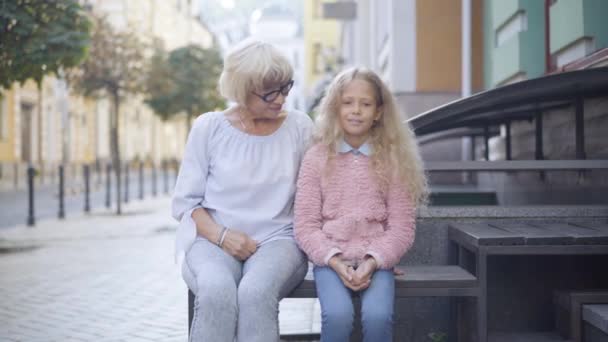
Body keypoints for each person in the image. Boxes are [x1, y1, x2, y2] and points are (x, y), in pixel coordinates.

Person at [171, 39, 313, 342]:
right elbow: (186, 203)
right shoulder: (209, 128)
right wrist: (223, 236)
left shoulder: (300, 128)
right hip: (212, 239)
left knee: (255, 292)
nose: (280, 99)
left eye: (285, 87)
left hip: (279, 240)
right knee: (216, 291)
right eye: (269, 92)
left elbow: (321, 194)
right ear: (241, 89)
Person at [294, 67, 428, 341]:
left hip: (376, 261)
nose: (356, 110)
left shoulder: (392, 160)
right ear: (335, 107)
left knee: (378, 317)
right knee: (338, 315)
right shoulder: (316, 157)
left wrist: (373, 261)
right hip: (330, 260)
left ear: (378, 111)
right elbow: (305, 225)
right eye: (347, 103)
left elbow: (402, 227)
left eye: (365, 104)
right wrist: (333, 259)